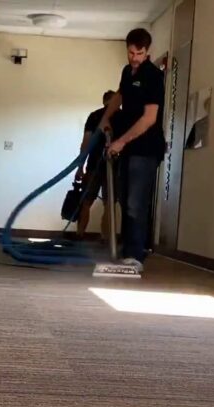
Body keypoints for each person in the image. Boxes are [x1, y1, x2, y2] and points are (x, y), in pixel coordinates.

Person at [98, 28, 166, 273]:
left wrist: (120, 142)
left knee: (136, 203)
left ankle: (136, 255)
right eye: (131, 52)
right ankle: (127, 251)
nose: (135, 57)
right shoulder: (127, 72)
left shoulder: (153, 76)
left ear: (148, 52)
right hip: (128, 148)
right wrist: (106, 118)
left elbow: (149, 119)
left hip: (146, 148)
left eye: (140, 53)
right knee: (125, 199)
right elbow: (119, 96)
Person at [74, 90, 117, 239]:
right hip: (114, 165)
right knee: (109, 203)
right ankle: (106, 238)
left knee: (86, 202)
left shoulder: (94, 116)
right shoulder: (121, 116)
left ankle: (80, 234)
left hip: (94, 164)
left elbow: (86, 143)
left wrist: (80, 167)